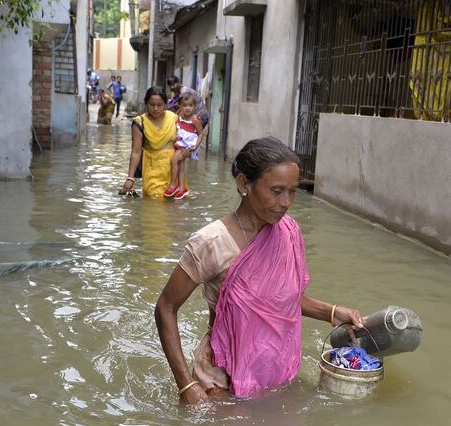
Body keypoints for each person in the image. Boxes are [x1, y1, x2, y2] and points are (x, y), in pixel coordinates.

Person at [154, 137, 364, 406]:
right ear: (244, 184)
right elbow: (166, 307)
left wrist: (333, 313)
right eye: (276, 191)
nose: (286, 202)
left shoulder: (288, 233)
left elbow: (281, 300)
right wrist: (186, 385)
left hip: (275, 371)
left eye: (293, 191)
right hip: (221, 381)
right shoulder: (211, 243)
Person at [122, 87, 181, 198]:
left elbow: (184, 140)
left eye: (159, 105)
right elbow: (136, 152)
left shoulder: (173, 118)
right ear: (146, 104)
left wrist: (187, 151)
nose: (155, 108)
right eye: (151, 104)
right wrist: (130, 178)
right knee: (154, 199)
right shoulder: (140, 123)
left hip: (173, 170)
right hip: (152, 169)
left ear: (165, 104)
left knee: (175, 203)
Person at [164, 93, 206, 200]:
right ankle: (182, 188)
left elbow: (201, 134)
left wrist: (195, 147)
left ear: (194, 107)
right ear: (180, 106)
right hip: (180, 142)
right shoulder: (179, 116)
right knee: (181, 165)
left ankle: (174, 184)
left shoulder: (195, 119)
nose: (188, 108)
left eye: (190, 105)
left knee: (173, 160)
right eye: (185, 105)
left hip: (188, 145)